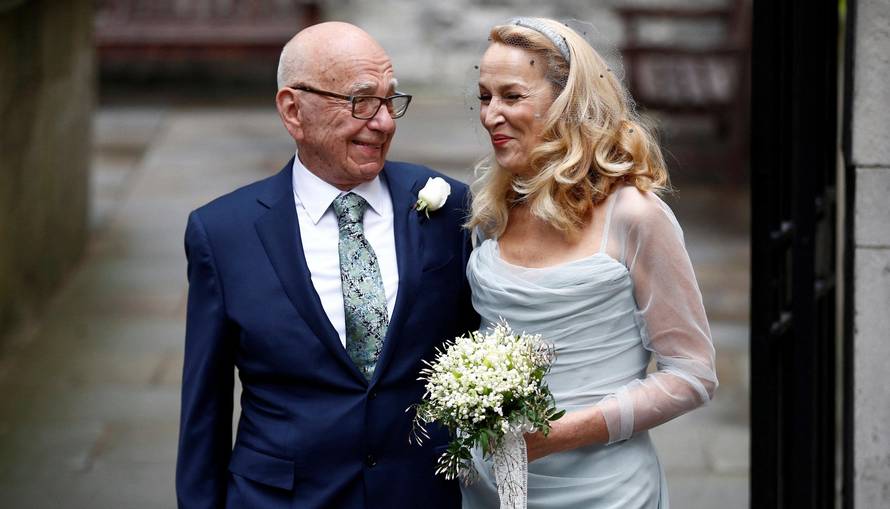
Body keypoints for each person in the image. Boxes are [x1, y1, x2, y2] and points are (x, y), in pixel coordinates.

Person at [175, 22, 478, 509]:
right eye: (361, 101)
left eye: (390, 100)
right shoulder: (223, 233)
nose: (382, 122)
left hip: (419, 494)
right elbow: (204, 414)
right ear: (293, 110)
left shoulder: (447, 208)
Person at [461, 17, 718, 508]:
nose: (491, 114)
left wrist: (561, 434)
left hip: (604, 492)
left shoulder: (635, 216)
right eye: (484, 96)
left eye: (511, 96)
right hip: (489, 488)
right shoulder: (493, 211)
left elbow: (692, 373)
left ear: (568, 103)